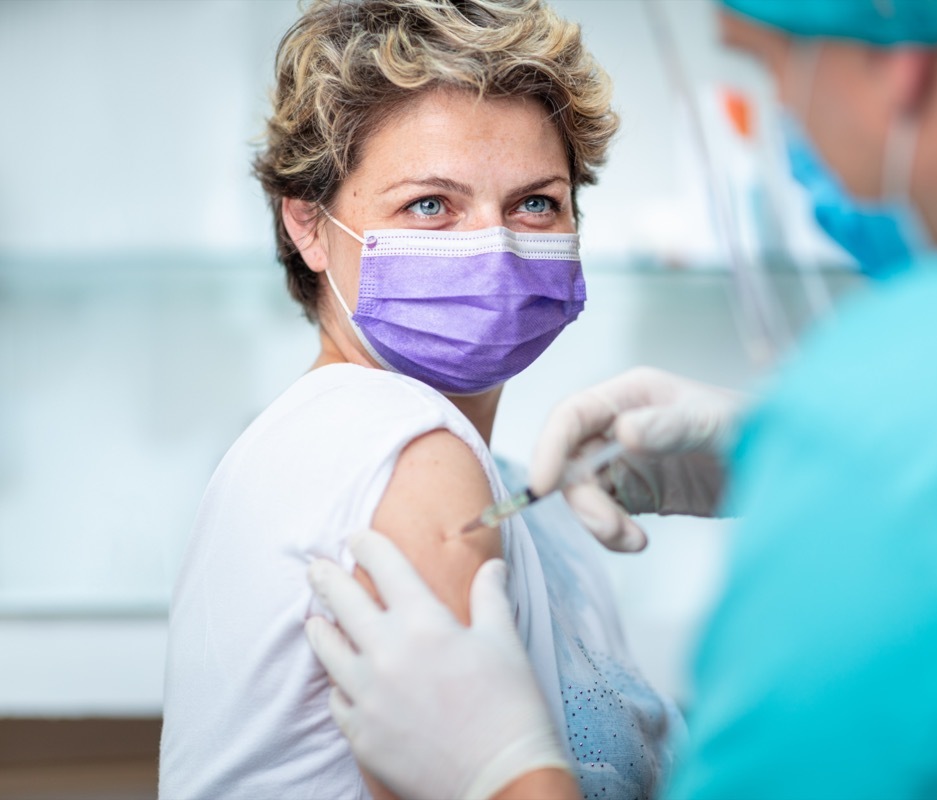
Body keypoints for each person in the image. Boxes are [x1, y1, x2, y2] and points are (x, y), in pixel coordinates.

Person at [304, 0, 937, 797]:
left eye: (774, 65)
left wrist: (503, 777)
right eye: (430, 205)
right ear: (306, 223)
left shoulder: (891, 428)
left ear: (895, 49)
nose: (792, 129)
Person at [159, 1, 682, 798]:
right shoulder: (402, 445)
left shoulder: (516, 490)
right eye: (430, 205)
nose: (495, 246)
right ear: (307, 223)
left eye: (535, 202)